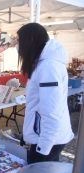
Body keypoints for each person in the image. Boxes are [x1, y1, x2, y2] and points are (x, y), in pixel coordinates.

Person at [17, 23, 74, 164]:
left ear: (29, 41)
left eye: (19, 41)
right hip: (47, 137)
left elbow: (51, 111)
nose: (17, 46)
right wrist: (27, 133)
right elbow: (37, 105)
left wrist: (43, 148)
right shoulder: (43, 64)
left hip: (49, 140)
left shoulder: (48, 66)